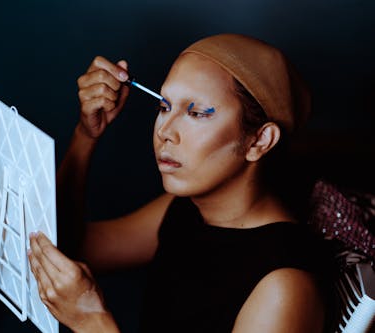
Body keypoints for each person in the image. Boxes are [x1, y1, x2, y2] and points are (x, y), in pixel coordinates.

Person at [27, 33, 335, 333]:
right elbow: (67, 245)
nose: (165, 131)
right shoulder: (186, 210)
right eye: (164, 107)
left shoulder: (285, 288)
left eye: (197, 113)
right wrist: (86, 135)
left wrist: (92, 323)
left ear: (259, 140)